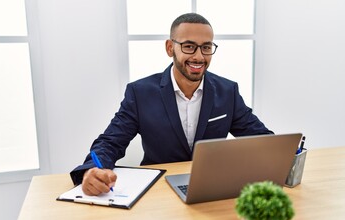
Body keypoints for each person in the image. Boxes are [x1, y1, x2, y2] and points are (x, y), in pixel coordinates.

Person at [70, 13, 273, 196]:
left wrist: (290, 155)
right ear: (170, 48)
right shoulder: (140, 93)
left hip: (209, 190)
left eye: (206, 47)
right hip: (158, 192)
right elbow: (110, 142)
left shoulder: (228, 91)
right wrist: (91, 170)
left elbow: (262, 140)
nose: (199, 56)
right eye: (189, 46)